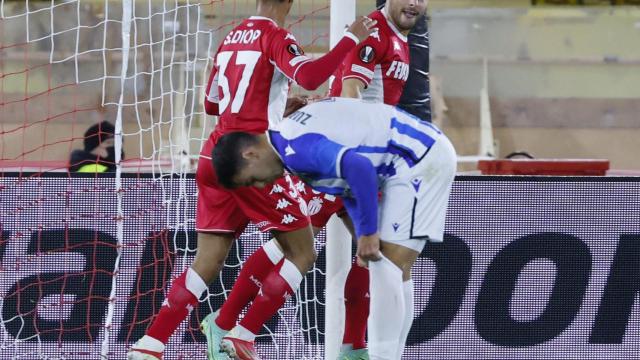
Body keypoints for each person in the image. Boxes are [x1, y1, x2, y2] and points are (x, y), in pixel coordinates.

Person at [126, 0, 376, 359]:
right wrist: (349, 39)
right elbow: (309, 76)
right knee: (302, 251)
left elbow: (212, 104)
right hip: (254, 157)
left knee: (207, 261)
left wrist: (276, 106)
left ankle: (150, 344)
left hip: (214, 156)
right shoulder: (276, 37)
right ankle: (244, 332)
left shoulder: (231, 38)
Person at [212, 97, 456, 360]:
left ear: (250, 154)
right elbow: (347, 184)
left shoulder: (296, 149)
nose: (259, 186)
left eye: (251, 179)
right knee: (397, 269)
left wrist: (370, 231)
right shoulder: (287, 140)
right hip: (420, 153)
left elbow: (359, 167)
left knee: (386, 265)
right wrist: (364, 230)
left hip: (415, 160)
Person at [328, 0, 428, 357]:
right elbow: (350, 90)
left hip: (368, 162)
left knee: (384, 259)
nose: (415, 2)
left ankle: (355, 348)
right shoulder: (374, 30)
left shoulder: (398, 38)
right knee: (292, 245)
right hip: (344, 161)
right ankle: (233, 327)